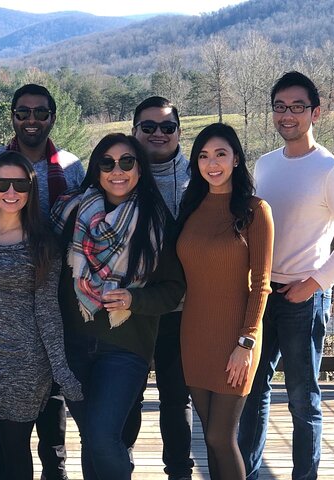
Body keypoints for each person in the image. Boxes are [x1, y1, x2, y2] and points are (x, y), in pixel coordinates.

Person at [238, 71, 334, 480]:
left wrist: (313, 285)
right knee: (252, 391)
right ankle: (247, 473)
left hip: (304, 298)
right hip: (261, 293)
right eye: (280, 107)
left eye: (297, 106)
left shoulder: (331, 170)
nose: (287, 115)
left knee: (301, 398)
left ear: (315, 112)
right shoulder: (265, 164)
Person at [0, 83, 84, 480]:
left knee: (45, 416)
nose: (32, 119)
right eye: (23, 112)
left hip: (54, 291)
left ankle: (55, 469)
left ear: (52, 117)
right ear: (12, 116)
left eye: (40, 112)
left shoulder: (71, 167)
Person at [52, 133, 186, 480]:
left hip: (125, 347)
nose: (117, 171)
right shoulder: (71, 212)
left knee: (102, 436)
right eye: (107, 163)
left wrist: (134, 299)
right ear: (96, 169)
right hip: (74, 344)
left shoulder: (156, 221)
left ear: (140, 169)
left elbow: (173, 289)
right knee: (92, 438)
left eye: (127, 162)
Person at [175, 123, 274, 479]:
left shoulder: (255, 211)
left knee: (221, 436)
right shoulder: (191, 208)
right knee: (210, 436)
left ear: (235, 159)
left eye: (220, 154)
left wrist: (245, 343)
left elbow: (261, 284)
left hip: (237, 338)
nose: (212, 163)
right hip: (194, 336)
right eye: (203, 156)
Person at [125, 96, 194, 479]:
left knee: (176, 399)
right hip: (131, 307)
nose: (158, 134)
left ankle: (179, 472)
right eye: (148, 127)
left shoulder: (198, 176)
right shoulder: (119, 171)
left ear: (179, 132)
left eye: (167, 127)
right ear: (134, 130)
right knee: (127, 398)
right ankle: (120, 468)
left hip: (182, 308)